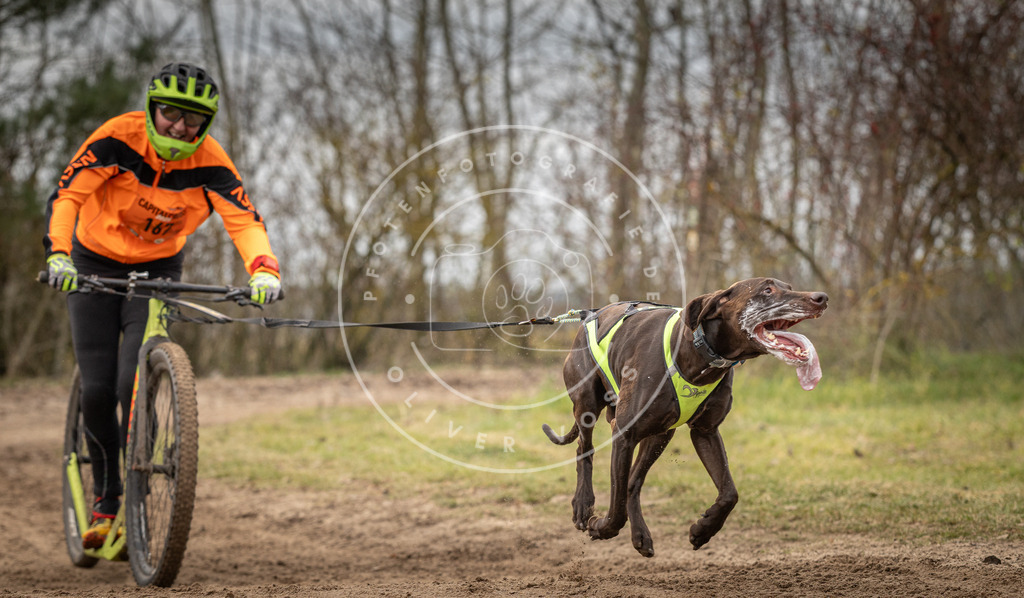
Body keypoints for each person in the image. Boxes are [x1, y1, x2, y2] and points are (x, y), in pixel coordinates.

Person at [43, 62, 282, 549]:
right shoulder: (116, 139)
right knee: (97, 388)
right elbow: (68, 195)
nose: (180, 126)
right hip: (92, 262)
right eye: (171, 113)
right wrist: (60, 255)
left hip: (157, 271)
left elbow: (244, 220)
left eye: (193, 120)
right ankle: (107, 496)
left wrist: (263, 269)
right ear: (153, 108)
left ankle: (138, 486)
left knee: (135, 375)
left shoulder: (212, 162)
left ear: (206, 124)